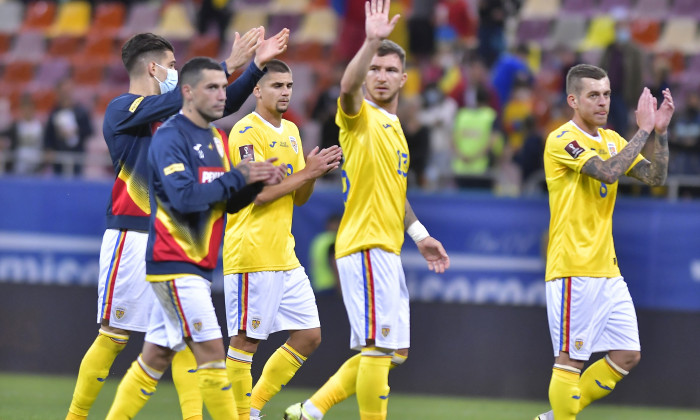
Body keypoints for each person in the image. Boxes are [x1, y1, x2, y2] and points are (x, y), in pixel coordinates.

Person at [65, 28, 289, 420]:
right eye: (171, 66)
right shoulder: (123, 109)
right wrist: (231, 64)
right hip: (131, 234)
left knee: (186, 340)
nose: (178, 73)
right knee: (115, 336)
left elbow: (223, 101)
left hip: (173, 241)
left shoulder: (179, 119)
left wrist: (252, 68)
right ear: (153, 68)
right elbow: (184, 98)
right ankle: (76, 417)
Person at [284, 1, 450, 419]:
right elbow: (346, 88)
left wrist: (420, 235)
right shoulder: (360, 117)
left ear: (404, 79)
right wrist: (371, 41)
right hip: (364, 245)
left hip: (388, 250)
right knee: (378, 347)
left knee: (397, 350)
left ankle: (312, 410)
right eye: (374, 68)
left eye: (390, 70)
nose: (381, 76)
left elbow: (398, 193)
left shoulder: (397, 130)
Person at [535, 64, 673, 420]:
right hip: (572, 268)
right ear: (573, 100)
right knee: (570, 361)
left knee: (628, 353)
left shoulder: (612, 139)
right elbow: (609, 173)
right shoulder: (562, 138)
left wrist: (659, 132)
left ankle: (552, 417)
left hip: (607, 270)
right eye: (593, 95)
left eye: (607, 94)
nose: (602, 102)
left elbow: (655, 177)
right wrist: (642, 129)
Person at [222, 59, 343, 420]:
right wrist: (307, 171)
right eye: (277, 86)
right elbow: (256, 194)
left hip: (283, 254)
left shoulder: (292, 131)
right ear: (257, 89)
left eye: (289, 86)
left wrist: (311, 175)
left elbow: (298, 198)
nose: (285, 92)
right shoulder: (245, 132)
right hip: (252, 251)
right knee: (245, 343)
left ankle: (253, 408)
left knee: (309, 336)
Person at [44, 78, 93, 177]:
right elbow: (48, 133)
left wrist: (76, 131)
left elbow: (89, 130)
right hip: (58, 156)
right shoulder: (54, 112)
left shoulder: (80, 111)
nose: (65, 94)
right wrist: (48, 148)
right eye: (63, 92)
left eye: (68, 91)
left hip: (76, 155)